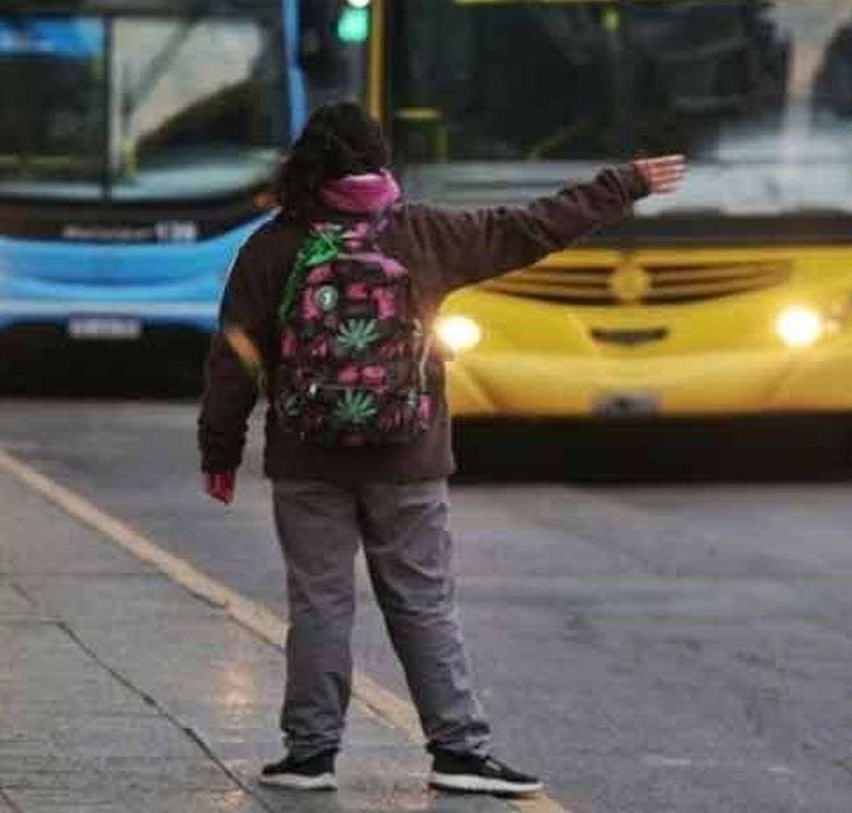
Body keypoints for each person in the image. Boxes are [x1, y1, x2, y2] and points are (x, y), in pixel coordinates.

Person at [198, 101, 685, 796]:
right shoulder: (422, 234)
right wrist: (623, 184)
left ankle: (310, 754)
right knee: (423, 601)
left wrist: (220, 450)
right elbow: (531, 229)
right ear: (379, 161)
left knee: (320, 603)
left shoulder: (275, 245)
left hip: (306, 458)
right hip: (408, 455)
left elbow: (234, 356)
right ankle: (458, 749)